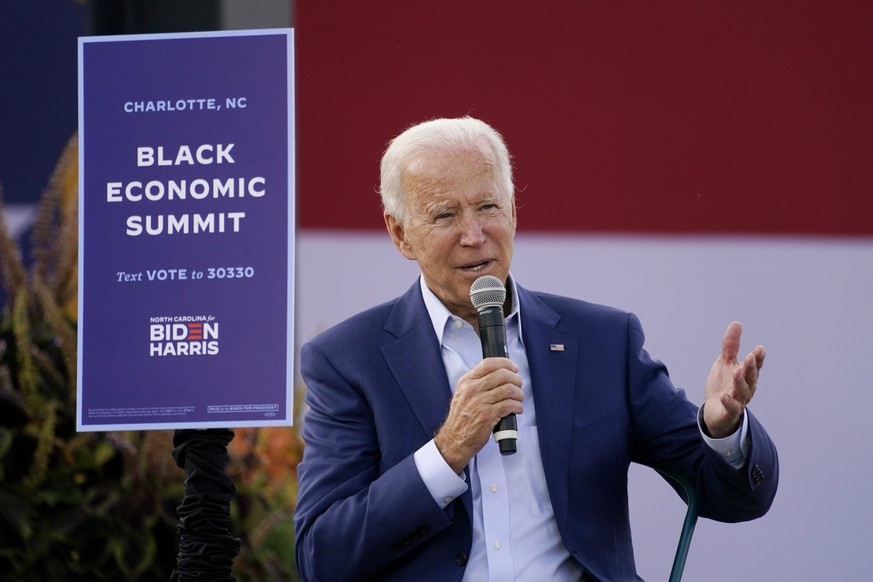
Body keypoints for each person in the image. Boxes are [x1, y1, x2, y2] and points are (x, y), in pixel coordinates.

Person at [293, 116, 778, 581]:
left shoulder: (603, 341)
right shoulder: (348, 360)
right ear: (400, 234)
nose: (474, 235)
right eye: (445, 215)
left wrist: (723, 430)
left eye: (488, 207)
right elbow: (324, 557)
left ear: (513, 211)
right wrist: (447, 452)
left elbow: (731, 497)